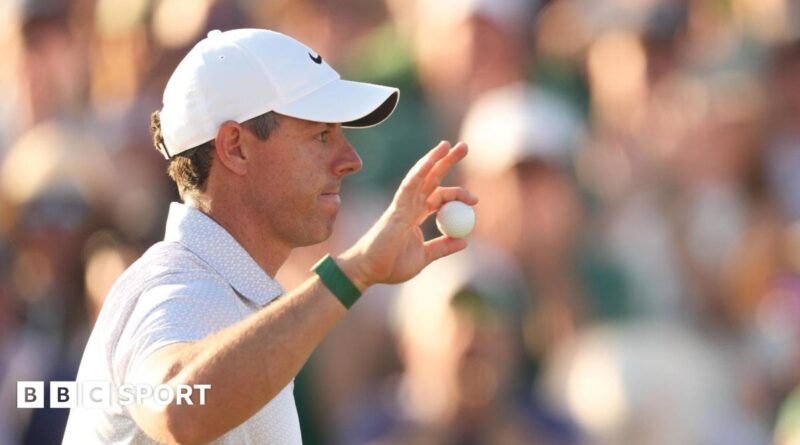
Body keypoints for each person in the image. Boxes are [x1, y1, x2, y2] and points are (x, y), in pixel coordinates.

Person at [62, 28, 477, 444]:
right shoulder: (176, 284)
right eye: (320, 135)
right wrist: (355, 271)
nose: (350, 160)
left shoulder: (226, 291)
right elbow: (178, 409)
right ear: (235, 147)